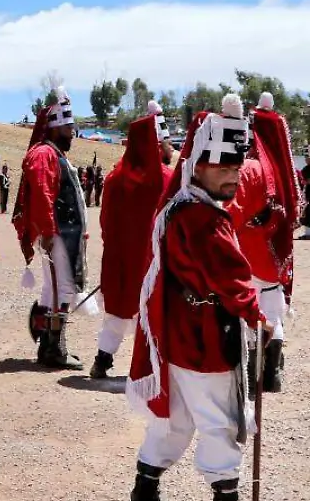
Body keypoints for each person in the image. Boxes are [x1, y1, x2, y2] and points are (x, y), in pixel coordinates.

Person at [127, 94, 269, 501]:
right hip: (205, 342)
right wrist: (256, 314)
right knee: (217, 421)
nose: (233, 177)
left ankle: (145, 487)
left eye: (237, 168)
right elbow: (232, 278)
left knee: (175, 419)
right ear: (197, 167)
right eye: (223, 168)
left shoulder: (180, 208)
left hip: (179, 339)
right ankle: (226, 493)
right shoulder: (204, 219)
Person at [91, 102, 174, 379]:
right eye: (167, 142)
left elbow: (104, 222)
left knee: (117, 312)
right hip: (153, 259)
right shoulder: (167, 179)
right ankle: (151, 368)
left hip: (120, 257)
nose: (171, 148)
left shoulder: (114, 178)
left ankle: (102, 360)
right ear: (156, 145)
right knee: (153, 312)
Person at [226, 91, 300, 393]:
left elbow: (232, 213)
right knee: (272, 308)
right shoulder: (284, 172)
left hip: (250, 252)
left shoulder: (250, 168)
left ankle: (254, 373)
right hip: (275, 256)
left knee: (252, 312)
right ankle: (273, 374)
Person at [13, 87, 90, 370]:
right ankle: (56, 350)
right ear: (57, 127)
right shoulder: (45, 153)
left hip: (59, 233)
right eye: (69, 127)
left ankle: (48, 345)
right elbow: (42, 190)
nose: (73, 132)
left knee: (53, 289)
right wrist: (46, 230)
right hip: (55, 234)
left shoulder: (54, 153)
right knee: (62, 289)